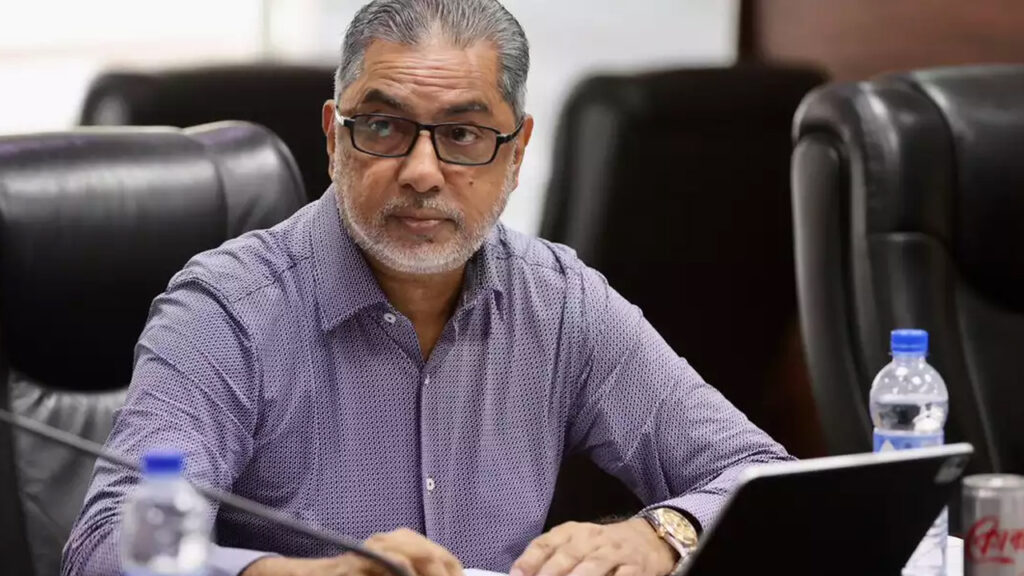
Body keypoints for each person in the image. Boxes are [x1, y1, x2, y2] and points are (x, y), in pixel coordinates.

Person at [62, 1, 792, 575]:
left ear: (517, 153)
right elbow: (105, 547)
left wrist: (662, 534)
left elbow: (760, 476)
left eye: (463, 135)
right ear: (334, 137)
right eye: (383, 126)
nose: (420, 171)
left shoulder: (561, 304)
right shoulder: (230, 312)